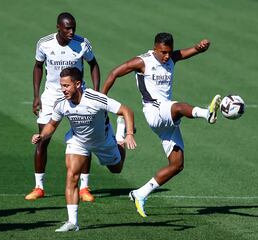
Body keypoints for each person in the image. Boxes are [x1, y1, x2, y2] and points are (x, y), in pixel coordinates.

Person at [102, 32, 221, 217]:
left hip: (166, 118)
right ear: (155, 48)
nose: (166, 56)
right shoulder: (142, 62)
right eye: (163, 52)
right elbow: (114, 73)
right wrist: (101, 100)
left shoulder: (171, 58)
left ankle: (140, 194)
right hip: (154, 111)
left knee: (177, 164)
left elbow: (186, 53)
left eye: (169, 52)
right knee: (179, 107)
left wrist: (200, 48)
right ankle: (207, 114)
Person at [31, 67, 136, 232]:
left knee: (116, 169)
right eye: (61, 85)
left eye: (66, 85)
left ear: (78, 84)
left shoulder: (95, 98)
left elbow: (126, 110)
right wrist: (41, 136)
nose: (63, 89)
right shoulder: (62, 104)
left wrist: (129, 134)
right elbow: (52, 124)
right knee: (72, 175)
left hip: (103, 141)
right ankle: (73, 222)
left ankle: (120, 137)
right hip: (78, 141)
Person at [26, 12, 100, 202]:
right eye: (67, 28)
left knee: (85, 138)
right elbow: (37, 67)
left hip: (78, 95)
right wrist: (36, 96)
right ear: (58, 27)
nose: (71, 31)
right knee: (43, 139)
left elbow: (93, 64)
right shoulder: (45, 43)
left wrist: (96, 93)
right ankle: (39, 187)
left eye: (73, 27)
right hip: (51, 96)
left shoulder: (82, 43)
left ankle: (84, 188)